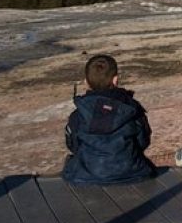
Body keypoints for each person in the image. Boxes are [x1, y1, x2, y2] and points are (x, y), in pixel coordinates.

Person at [62, 54, 155, 185]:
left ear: (86, 82)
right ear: (115, 80)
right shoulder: (132, 109)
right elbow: (143, 141)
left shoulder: (78, 114)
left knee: (69, 163)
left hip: (85, 175)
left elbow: (73, 145)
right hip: (132, 172)